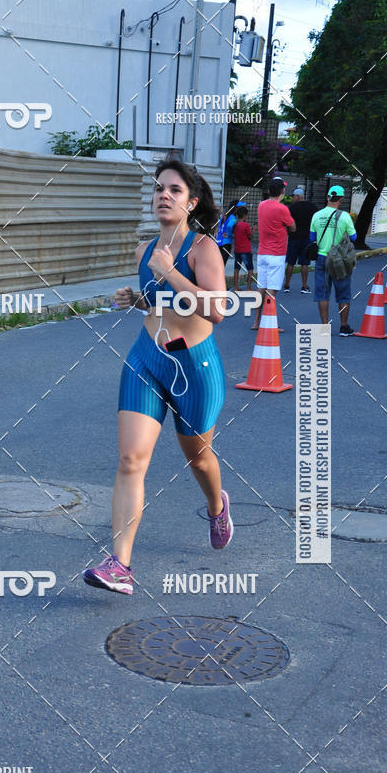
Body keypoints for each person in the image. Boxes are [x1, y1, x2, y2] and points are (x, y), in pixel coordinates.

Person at [82, 159, 233, 595]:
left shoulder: (202, 249)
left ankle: (216, 505)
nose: (164, 195)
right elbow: (161, 305)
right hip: (146, 358)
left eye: (175, 190)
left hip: (195, 367)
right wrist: (138, 299)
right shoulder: (144, 251)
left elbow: (217, 310)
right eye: (159, 189)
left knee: (199, 458)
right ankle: (120, 565)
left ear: (192, 202)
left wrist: (169, 273)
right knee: (131, 460)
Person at [310, 184, 357, 335]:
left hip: (322, 258)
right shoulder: (344, 216)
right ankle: (344, 327)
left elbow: (312, 238)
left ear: (327, 197)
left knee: (323, 293)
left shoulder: (316, 215)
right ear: (341, 199)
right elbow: (354, 237)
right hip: (339, 261)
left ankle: (324, 327)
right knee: (343, 293)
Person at [251, 177, 295, 330]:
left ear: (269, 191)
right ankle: (269, 324)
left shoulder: (261, 205)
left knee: (261, 288)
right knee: (272, 291)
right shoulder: (282, 209)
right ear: (282, 191)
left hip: (262, 253)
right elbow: (293, 227)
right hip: (276, 254)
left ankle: (256, 322)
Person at [284, 187, 316, 294]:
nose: (293, 198)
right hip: (307, 238)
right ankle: (304, 286)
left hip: (294, 238)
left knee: (290, 263)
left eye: (293, 196)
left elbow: (287, 223)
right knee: (305, 263)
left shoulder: (292, 208)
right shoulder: (312, 207)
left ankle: (287, 285)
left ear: (298, 196)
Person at [232, 205, 253, 291]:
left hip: (237, 250)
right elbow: (250, 237)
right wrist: (254, 229)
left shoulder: (235, 225)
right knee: (250, 268)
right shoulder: (246, 225)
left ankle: (236, 287)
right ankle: (249, 287)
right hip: (246, 250)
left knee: (237, 268)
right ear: (245, 215)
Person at [216, 199, 238, 266]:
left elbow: (219, 227)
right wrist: (230, 235)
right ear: (235, 208)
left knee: (218, 263)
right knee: (222, 264)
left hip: (218, 242)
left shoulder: (224, 216)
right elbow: (229, 226)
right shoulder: (233, 217)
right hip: (226, 243)